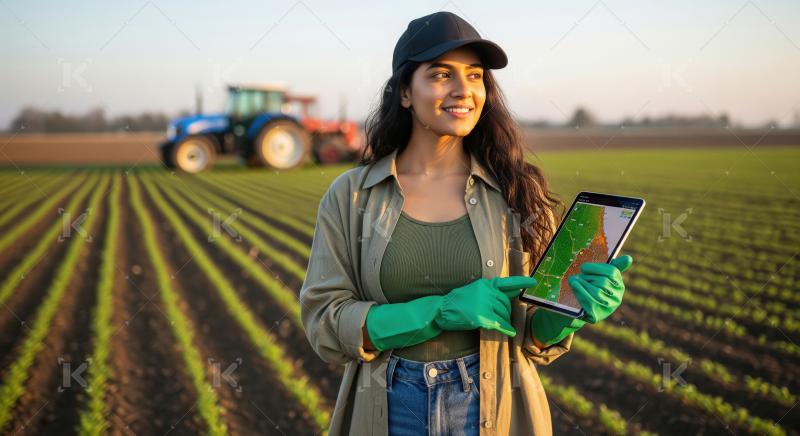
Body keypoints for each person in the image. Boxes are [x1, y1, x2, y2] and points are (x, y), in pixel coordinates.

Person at [299, 11, 633, 436]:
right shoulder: (352, 195)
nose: (463, 90)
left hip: (495, 409)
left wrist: (573, 308)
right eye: (441, 74)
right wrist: (438, 313)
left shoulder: (518, 192)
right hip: (389, 408)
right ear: (405, 91)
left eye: (475, 76)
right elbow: (325, 323)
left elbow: (532, 335)